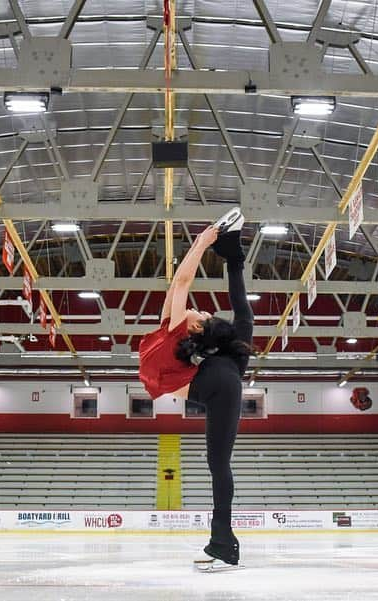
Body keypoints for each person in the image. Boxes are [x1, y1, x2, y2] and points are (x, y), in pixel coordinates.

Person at [137, 208, 254, 572]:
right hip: (223, 377)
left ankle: (223, 545)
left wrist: (204, 241)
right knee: (245, 321)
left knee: (218, 464)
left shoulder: (176, 329)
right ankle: (235, 258)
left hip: (219, 384)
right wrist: (208, 243)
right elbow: (178, 285)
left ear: (194, 330)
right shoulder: (172, 327)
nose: (197, 308)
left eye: (200, 314)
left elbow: (183, 281)